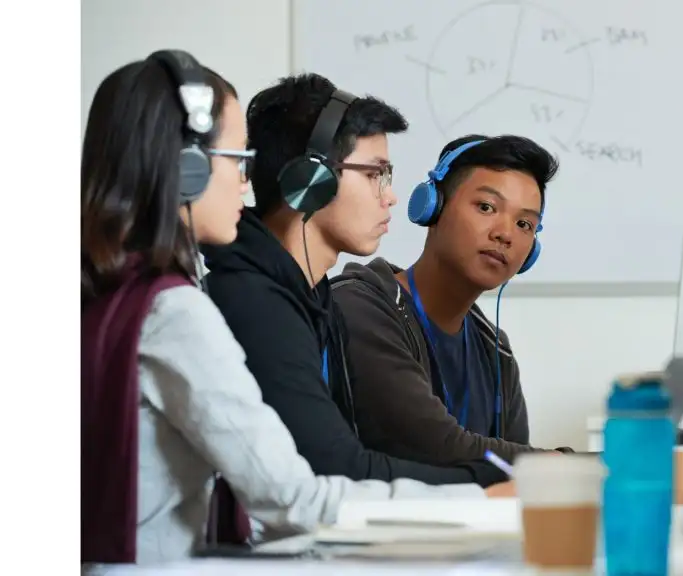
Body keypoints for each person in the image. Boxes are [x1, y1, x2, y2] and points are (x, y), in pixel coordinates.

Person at [81, 53, 501, 567]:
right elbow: (295, 499)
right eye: (237, 159)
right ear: (187, 170)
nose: (246, 181)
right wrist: (483, 497)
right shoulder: (178, 312)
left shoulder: (117, 293)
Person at [201, 73, 512, 487]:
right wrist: (488, 483)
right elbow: (335, 466)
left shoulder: (312, 298)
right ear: (312, 180)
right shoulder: (254, 303)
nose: (390, 196)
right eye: (373, 175)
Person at [331, 134, 568, 466]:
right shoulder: (361, 307)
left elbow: (518, 478)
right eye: (486, 207)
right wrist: (570, 465)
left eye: (525, 223)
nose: (505, 233)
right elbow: (435, 445)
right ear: (433, 207)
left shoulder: (494, 350)